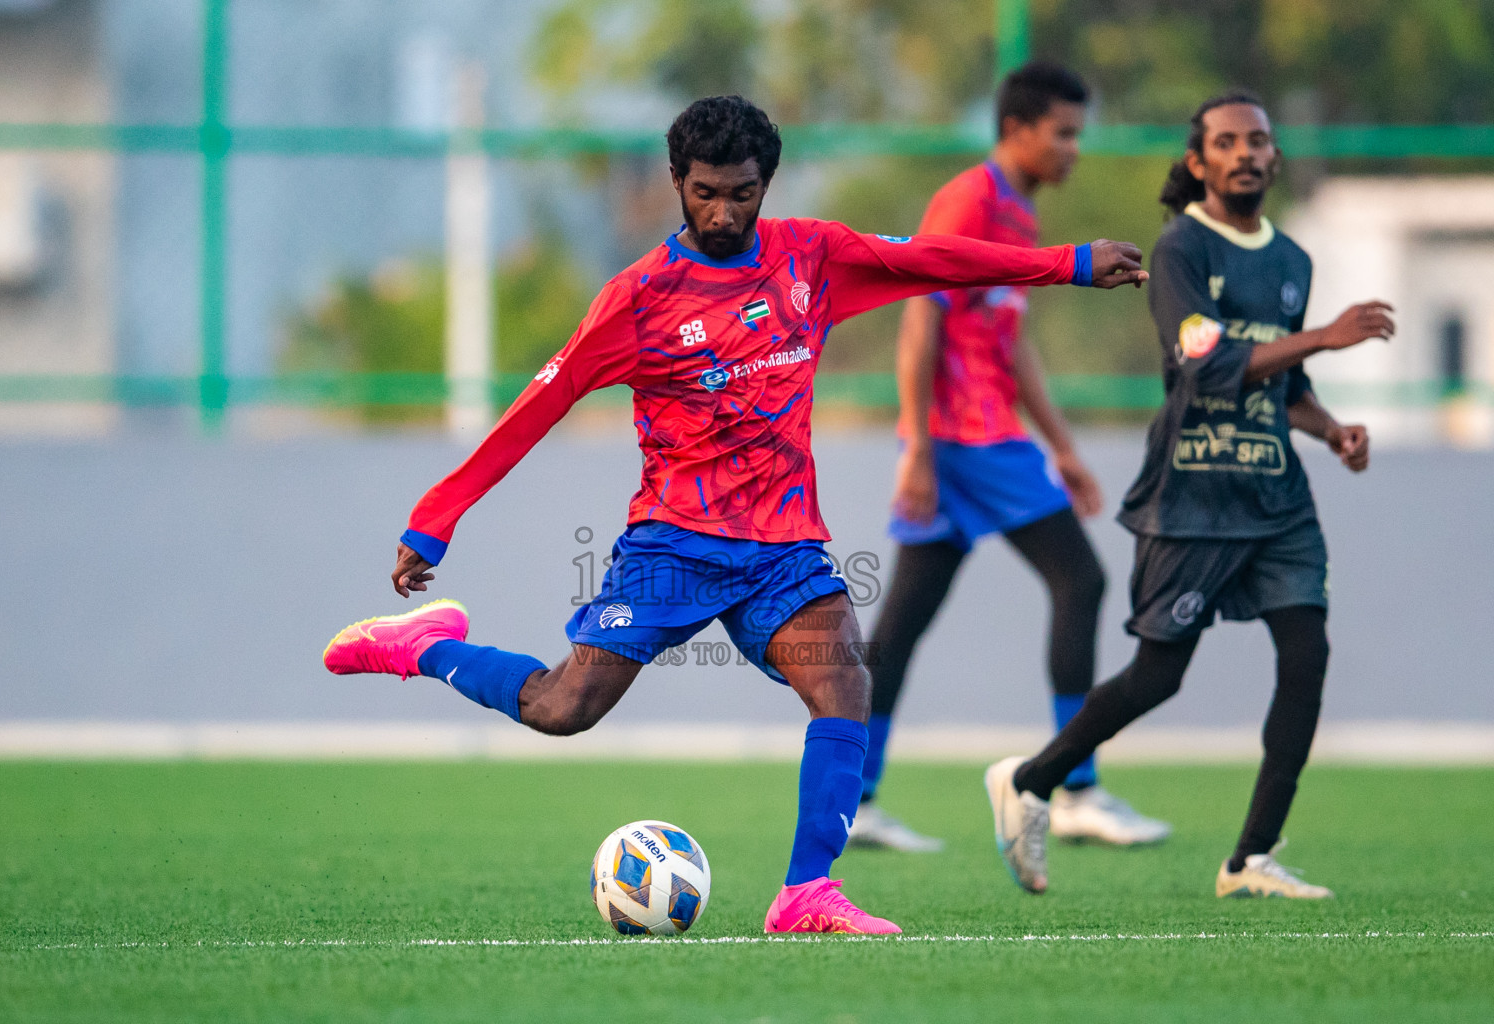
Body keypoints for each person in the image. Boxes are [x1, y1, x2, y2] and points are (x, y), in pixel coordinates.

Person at [323, 95, 1147, 934]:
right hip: (673, 543)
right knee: (563, 709)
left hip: (783, 548)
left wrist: (1070, 262)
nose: (722, 212)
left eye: (743, 193)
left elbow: (933, 263)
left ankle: (806, 894)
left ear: (768, 184)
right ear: (677, 181)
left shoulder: (812, 257)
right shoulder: (638, 299)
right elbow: (541, 402)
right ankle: (424, 646)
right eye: (705, 192)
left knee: (845, 680)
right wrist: (437, 515)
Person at [984, 91, 1394, 899]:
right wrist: (1322, 335)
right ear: (1199, 162)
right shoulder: (1177, 250)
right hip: (1193, 495)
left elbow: (1287, 380)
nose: (1246, 153)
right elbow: (1205, 368)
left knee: (1306, 656)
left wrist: (1331, 428)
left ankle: (1251, 859)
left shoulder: (1293, 262)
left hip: (1276, 497)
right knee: (1159, 675)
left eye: (1259, 141)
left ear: (1274, 158)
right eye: (1227, 142)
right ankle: (1032, 780)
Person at [851, 61, 1170, 853]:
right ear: (1018, 129)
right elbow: (920, 318)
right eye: (1063, 133)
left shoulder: (1019, 213)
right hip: (969, 437)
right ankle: (1074, 790)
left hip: (977, 438)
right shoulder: (972, 199)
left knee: (902, 622)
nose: (1073, 149)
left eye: (1077, 134)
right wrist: (917, 446)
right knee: (1082, 580)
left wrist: (1062, 445)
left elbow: (1012, 337)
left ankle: (851, 800)